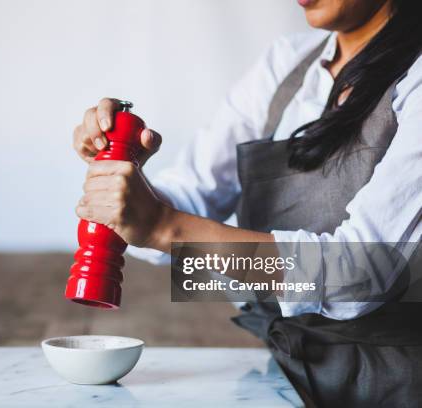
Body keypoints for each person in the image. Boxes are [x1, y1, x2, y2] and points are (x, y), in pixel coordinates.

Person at [71, 0, 421, 406]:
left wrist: (164, 227)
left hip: (389, 386)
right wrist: (128, 179)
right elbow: (193, 195)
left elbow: (361, 273)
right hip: (284, 374)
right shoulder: (286, 64)